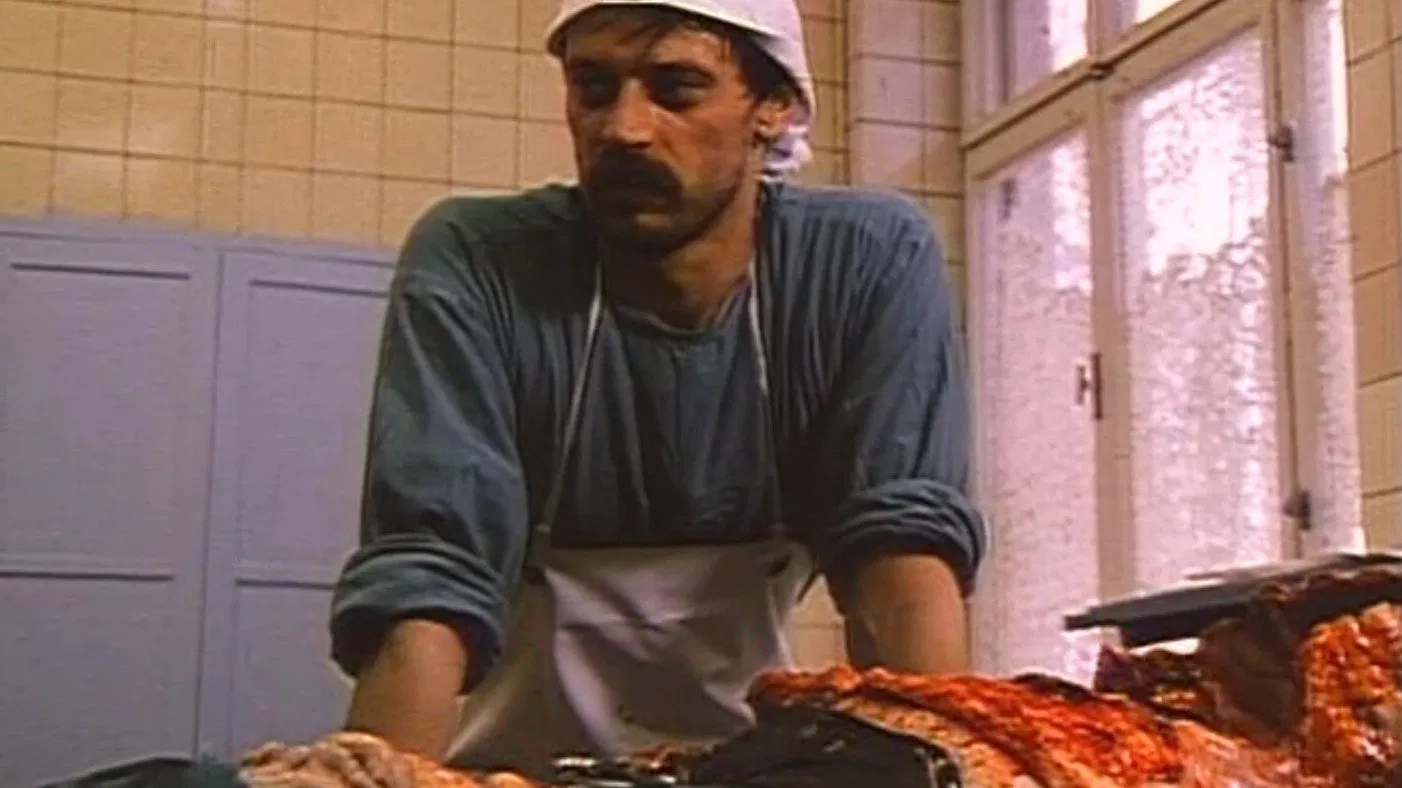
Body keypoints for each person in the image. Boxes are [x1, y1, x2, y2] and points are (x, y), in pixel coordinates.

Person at [328, 0, 987, 778]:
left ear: (773, 106)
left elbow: (900, 557)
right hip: (515, 769)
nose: (623, 129)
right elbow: (429, 573)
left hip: (754, 766)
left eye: (676, 89)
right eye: (593, 87)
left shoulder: (861, 264)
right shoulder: (481, 264)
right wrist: (381, 773)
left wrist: (951, 769)